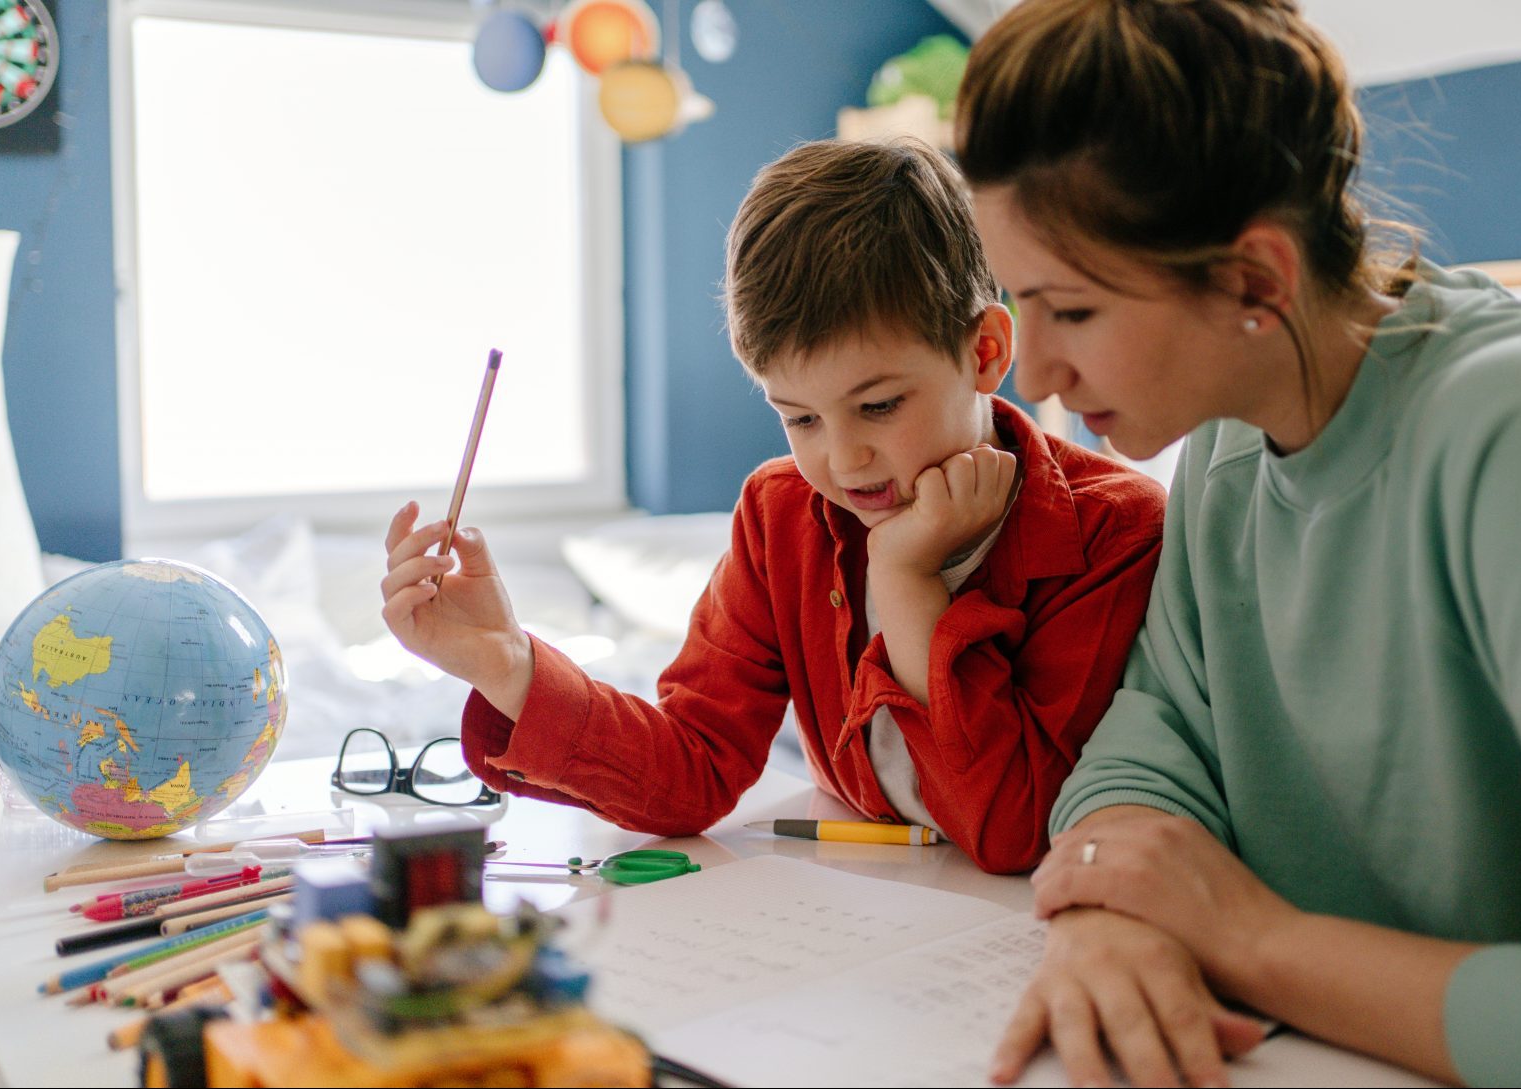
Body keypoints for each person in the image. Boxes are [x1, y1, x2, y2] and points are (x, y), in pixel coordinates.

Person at [953, 0, 1521, 1085]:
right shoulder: (1233, 443)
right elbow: (1157, 731)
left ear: (1255, 282)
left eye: (1071, 311)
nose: (1030, 373)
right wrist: (1110, 918)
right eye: (1017, 301)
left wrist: (1245, 938)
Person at [380, 139, 1166, 875]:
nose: (843, 458)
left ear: (986, 351)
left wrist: (906, 581)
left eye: (881, 405)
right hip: (857, 921)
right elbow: (693, 766)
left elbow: (1013, 829)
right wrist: (508, 664)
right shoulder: (780, 513)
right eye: (800, 418)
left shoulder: (1115, 530)